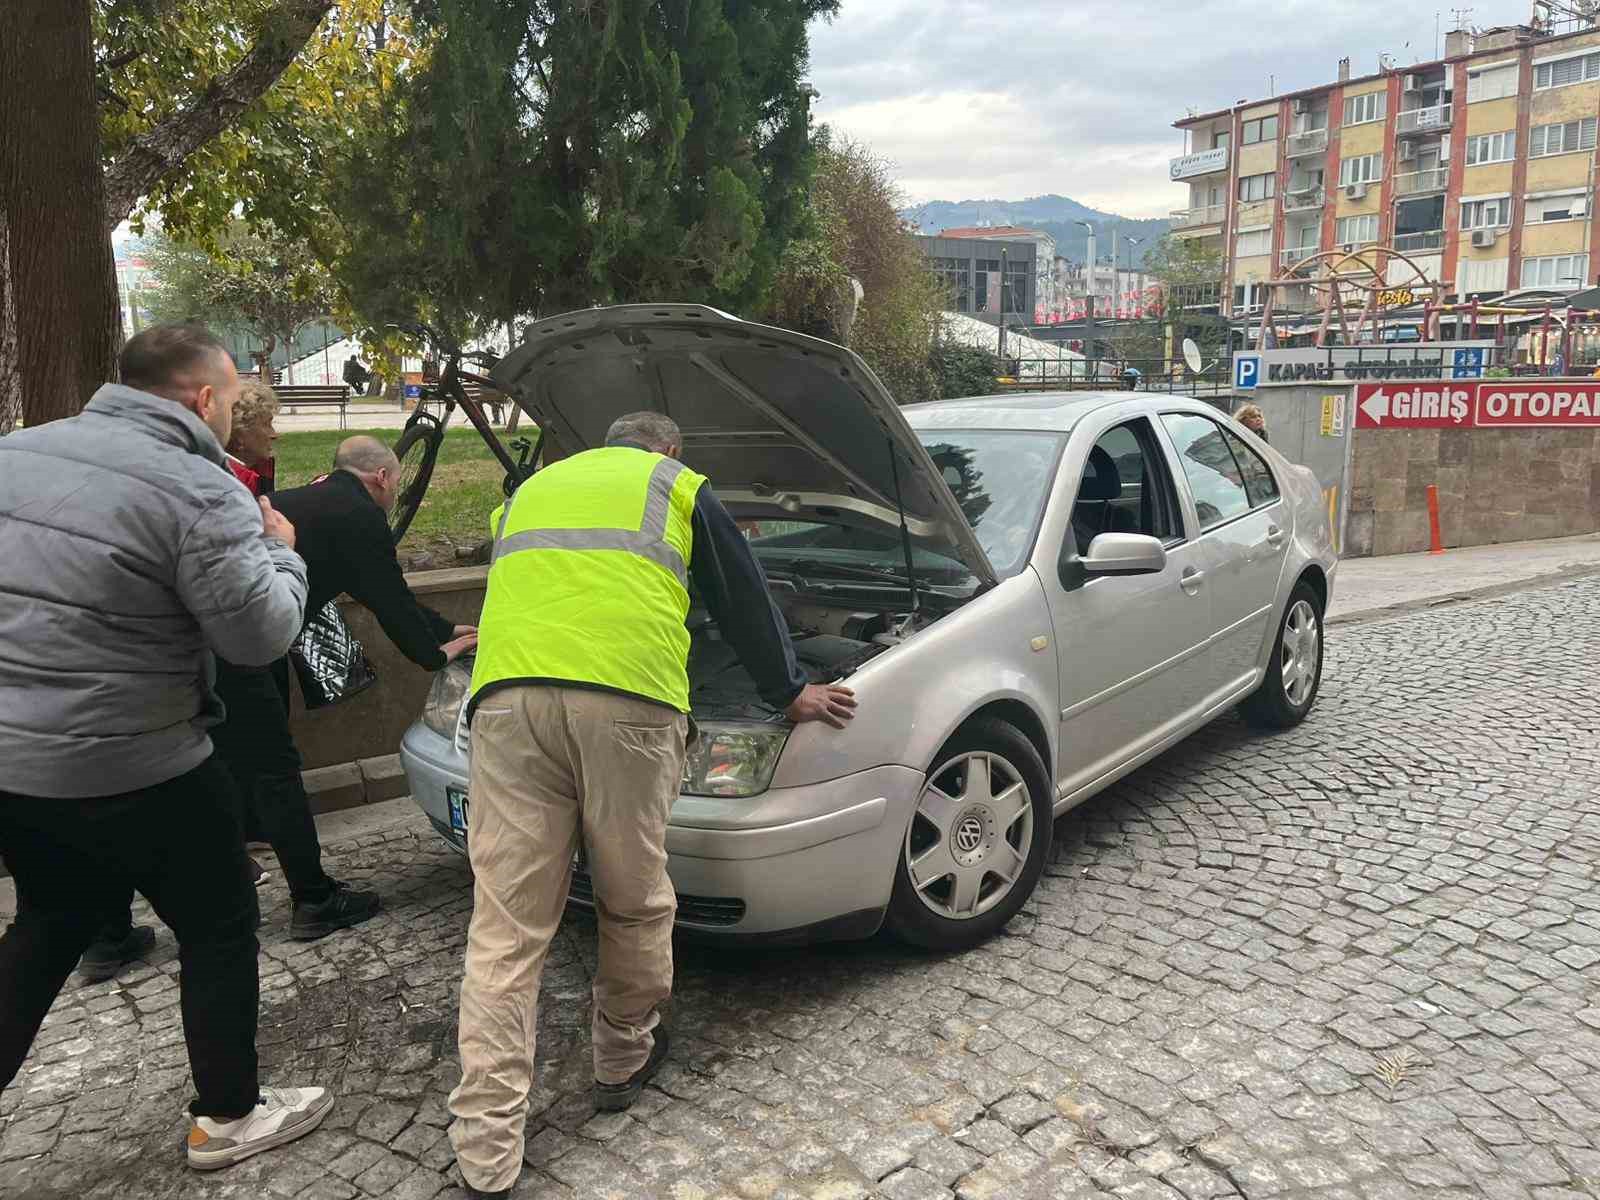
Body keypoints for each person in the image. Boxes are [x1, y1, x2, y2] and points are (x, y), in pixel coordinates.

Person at [448, 412, 857, 1199]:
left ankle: (485, 1150)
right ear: (670, 449)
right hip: (627, 706)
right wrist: (789, 691)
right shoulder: (677, 485)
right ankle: (622, 1057)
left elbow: (529, 584)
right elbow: (741, 598)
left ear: (605, 443)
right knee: (631, 899)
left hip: (505, 700)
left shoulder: (530, 490)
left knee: (505, 928)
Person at [0, 324, 334, 1169]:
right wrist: (280, 552)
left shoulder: (15, 453)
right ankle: (227, 1117)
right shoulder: (202, 488)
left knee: (47, 921)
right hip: (144, 764)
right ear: (204, 398)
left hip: (17, 763)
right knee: (221, 924)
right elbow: (258, 637)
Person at [227, 379, 280, 495]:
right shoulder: (227, 488)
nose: (274, 435)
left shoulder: (257, 470)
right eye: (266, 424)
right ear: (239, 432)